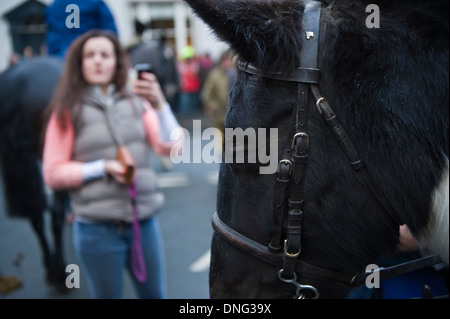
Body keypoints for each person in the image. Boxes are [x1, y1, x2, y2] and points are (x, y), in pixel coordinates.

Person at [42, 29, 182, 299]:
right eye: (90, 55)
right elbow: (52, 173)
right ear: (79, 63)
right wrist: (102, 168)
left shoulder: (137, 101)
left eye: (105, 55)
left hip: (144, 224)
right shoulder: (66, 108)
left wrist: (160, 103)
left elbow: (172, 147)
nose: (98, 61)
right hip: (96, 229)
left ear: (117, 62)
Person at [45, 0, 118, 58]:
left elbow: (52, 37)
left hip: (63, 56)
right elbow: (110, 33)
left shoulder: (54, 6)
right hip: (89, 55)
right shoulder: (95, 2)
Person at [202, 51, 236, 136]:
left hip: (236, 114)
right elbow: (206, 94)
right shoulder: (215, 75)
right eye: (225, 60)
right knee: (220, 141)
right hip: (220, 114)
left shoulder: (237, 74)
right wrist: (213, 107)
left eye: (229, 60)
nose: (227, 62)